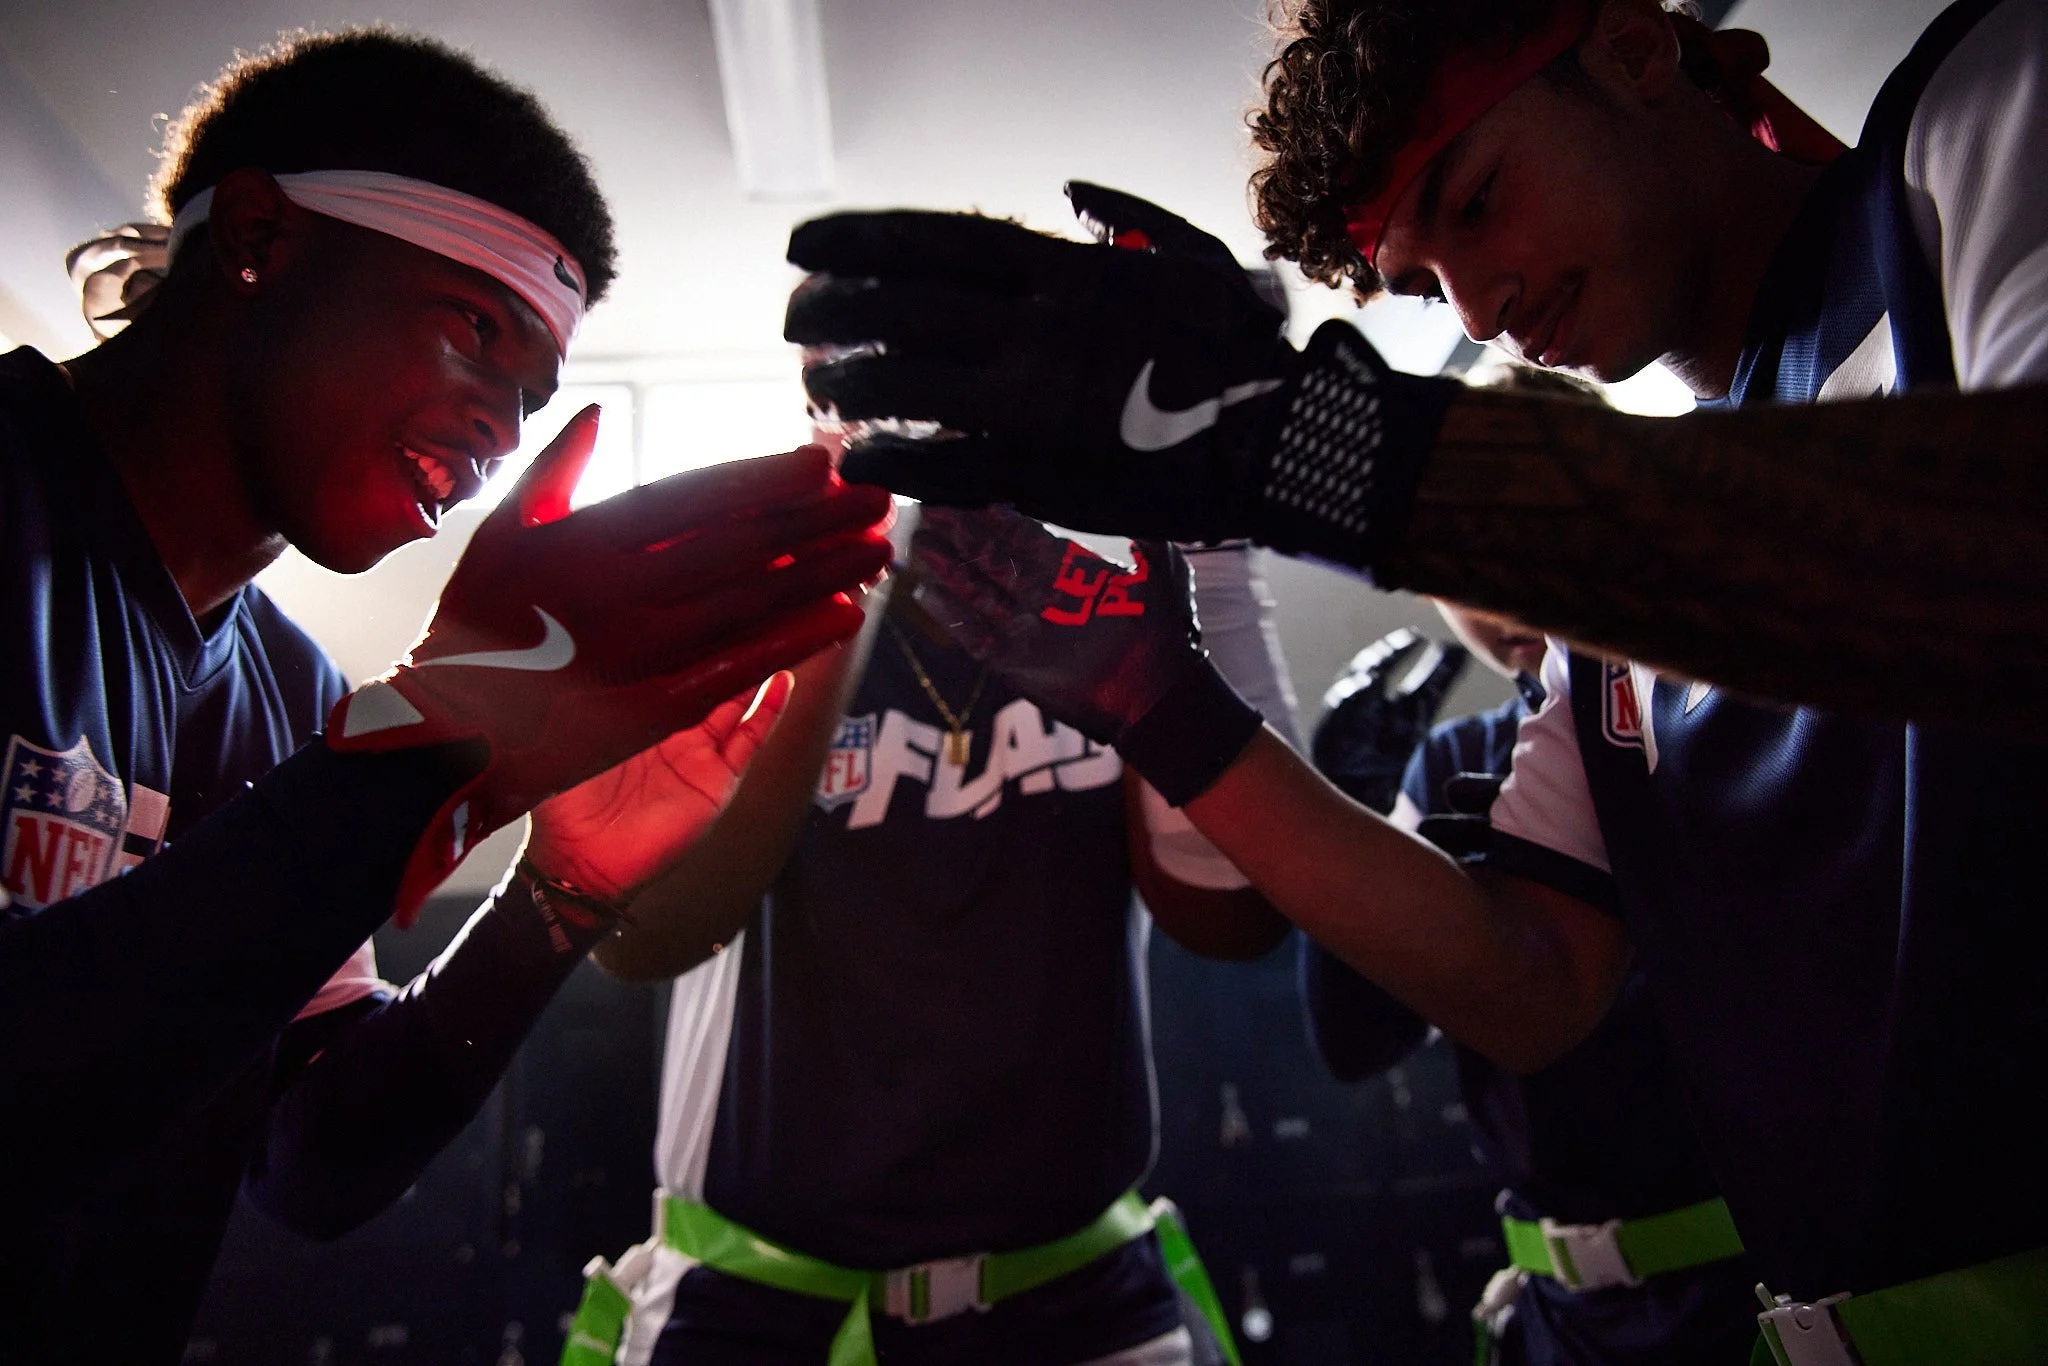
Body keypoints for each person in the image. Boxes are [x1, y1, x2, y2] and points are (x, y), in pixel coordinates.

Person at [787, 1, 2048, 1357]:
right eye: (1420, 283)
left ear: (1632, 48)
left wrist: (1327, 449)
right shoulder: (1616, 618)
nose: (1480, 305)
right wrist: (1158, 698)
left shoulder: (1976, 122)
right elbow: (1526, 980)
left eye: (1480, 197)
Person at [0, 29, 892, 1362]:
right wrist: (439, 734)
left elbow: (310, 1161)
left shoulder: (294, 692)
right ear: (257, 236)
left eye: (535, 399)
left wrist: (556, 898)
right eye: (476, 328)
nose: (498, 431)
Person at [556, 505, 1295, 1366]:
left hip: (1075, 1292)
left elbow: (1240, 918)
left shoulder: (1108, 601)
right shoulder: (751, 592)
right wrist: (846, 554)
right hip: (760, 1302)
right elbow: (641, 939)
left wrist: (1215, 553)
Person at [1303, 609, 1753, 1366]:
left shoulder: (1718, 721)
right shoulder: (1457, 757)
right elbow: (1358, 1041)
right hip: (1559, 1316)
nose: (1503, 606)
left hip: (1750, 1291)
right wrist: (1356, 805)